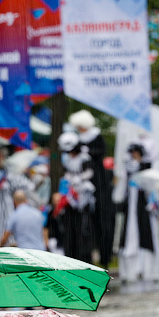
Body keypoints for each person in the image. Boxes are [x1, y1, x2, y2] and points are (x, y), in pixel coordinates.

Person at [70, 109, 114, 266]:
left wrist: (87, 152)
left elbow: (100, 153)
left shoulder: (96, 137)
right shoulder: (76, 140)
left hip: (98, 183)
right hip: (83, 184)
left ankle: (105, 258)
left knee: (103, 223)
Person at [119, 142, 159, 285]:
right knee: (129, 234)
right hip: (131, 204)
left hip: (143, 204)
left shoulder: (147, 166)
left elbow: (151, 187)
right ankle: (131, 270)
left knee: (147, 233)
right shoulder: (128, 167)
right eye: (132, 152)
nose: (134, 155)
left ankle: (149, 270)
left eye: (136, 152)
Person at [60, 131, 96, 263]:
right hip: (71, 198)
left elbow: (90, 172)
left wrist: (79, 179)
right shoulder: (68, 159)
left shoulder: (85, 158)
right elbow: (67, 173)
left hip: (84, 196)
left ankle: (84, 257)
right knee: (71, 229)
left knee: (83, 229)